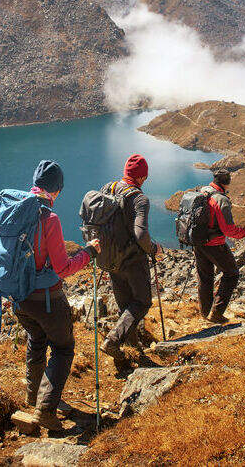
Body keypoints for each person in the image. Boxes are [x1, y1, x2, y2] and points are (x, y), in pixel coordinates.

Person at [16, 160, 100, 430]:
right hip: (45, 299)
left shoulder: (15, 209)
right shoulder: (48, 219)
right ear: (57, 190)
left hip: (18, 298)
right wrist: (89, 252)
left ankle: (33, 396)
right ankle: (45, 410)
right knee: (63, 349)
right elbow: (63, 268)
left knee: (36, 339)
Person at [98, 154, 162, 365]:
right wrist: (153, 249)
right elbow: (140, 235)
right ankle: (113, 340)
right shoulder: (139, 199)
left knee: (125, 305)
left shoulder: (108, 188)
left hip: (110, 258)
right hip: (132, 261)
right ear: (142, 177)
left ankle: (132, 348)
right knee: (142, 302)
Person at [194, 169, 245, 323]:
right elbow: (229, 230)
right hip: (214, 244)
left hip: (198, 242)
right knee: (231, 274)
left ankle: (205, 313)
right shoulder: (221, 199)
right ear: (227, 182)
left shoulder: (204, 190)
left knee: (205, 278)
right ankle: (216, 313)